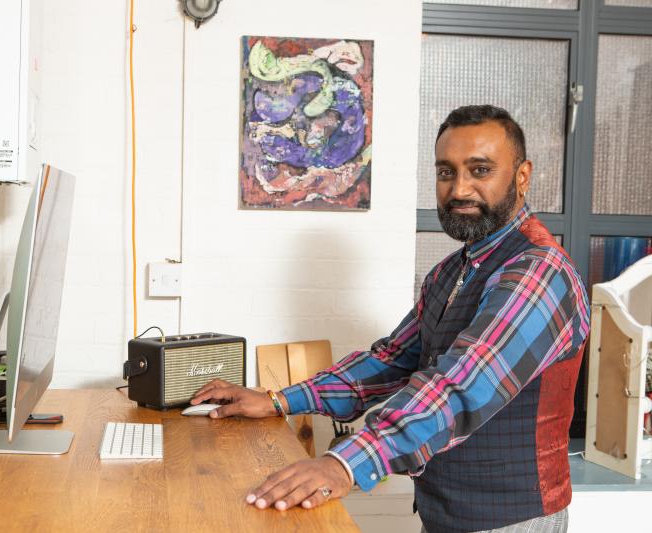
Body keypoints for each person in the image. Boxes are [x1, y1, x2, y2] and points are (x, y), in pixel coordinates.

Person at [191, 105, 589, 533]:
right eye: (446, 172)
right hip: (444, 512)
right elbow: (391, 360)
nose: (460, 188)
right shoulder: (450, 271)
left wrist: (345, 465)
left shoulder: (540, 271)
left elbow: (462, 385)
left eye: (480, 170)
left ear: (522, 176)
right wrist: (277, 400)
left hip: (511, 521)